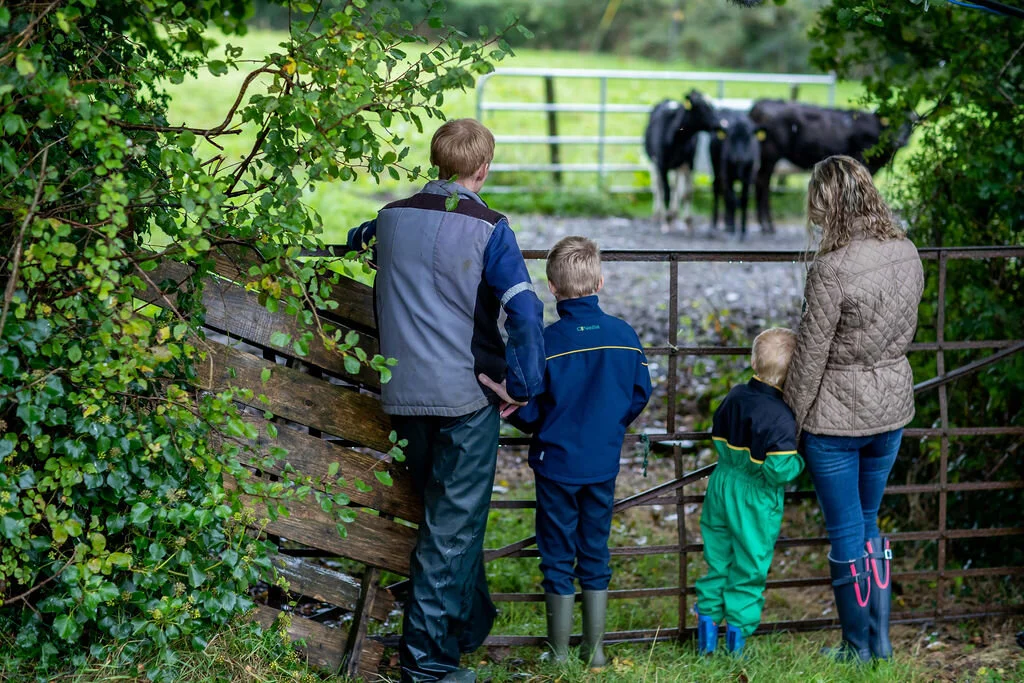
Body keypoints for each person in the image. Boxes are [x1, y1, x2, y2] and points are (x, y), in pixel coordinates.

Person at [347, 119, 546, 683]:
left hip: (402, 397)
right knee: (450, 532)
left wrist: (364, 235)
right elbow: (526, 312)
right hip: (464, 398)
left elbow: (359, 236)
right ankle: (429, 668)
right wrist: (522, 387)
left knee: (451, 524)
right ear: (483, 168)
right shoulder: (492, 228)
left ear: (438, 163)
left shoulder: (389, 219)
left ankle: (467, 626)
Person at [482, 236, 652, 669]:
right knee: (595, 549)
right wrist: (609, 426)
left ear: (552, 289)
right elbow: (639, 393)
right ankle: (594, 651)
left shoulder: (546, 342)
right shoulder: (625, 337)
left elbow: (531, 409)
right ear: (600, 281)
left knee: (556, 552)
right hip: (602, 463)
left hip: (556, 466)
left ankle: (558, 656)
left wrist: (514, 412)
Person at [784, 155, 924, 663]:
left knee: (845, 529)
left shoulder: (832, 266)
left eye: (817, 204)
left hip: (837, 419)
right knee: (869, 520)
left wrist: (789, 423)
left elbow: (809, 355)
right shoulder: (907, 251)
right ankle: (880, 641)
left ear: (828, 201)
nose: (815, 215)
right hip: (891, 409)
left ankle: (855, 647)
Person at [693, 328, 805, 656]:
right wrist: (801, 462)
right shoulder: (782, 418)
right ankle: (736, 643)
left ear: (754, 360)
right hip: (755, 496)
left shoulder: (734, 396)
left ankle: (707, 637)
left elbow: (716, 433)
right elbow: (778, 470)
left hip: (722, 483)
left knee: (718, 559)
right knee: (749, 565)